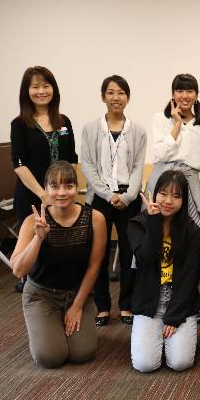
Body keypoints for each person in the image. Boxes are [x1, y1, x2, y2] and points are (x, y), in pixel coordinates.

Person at [9, 161, 106, 368]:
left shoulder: (95, 219)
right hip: (42, 295)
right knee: (51, 357)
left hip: (78, 293)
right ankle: (46, 329)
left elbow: (94, 267)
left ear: (76, 188)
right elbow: (18, 270)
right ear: (46, 189)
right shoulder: (32, 222)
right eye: (55, 186)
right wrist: (39, 238)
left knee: (83, 353)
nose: (62, 192)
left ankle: (63, 322)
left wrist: (77, 306)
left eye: (68, 186)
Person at [80, 75, 147, 327]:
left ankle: (127, 304)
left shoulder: (138, 130)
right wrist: (108, 195)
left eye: (120, 93)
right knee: (98, 253)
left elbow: (139, 166)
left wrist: (128, 195)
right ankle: (102, 306)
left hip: (128, 198)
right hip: (99, 198)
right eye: (110, 92)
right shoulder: (90, 128)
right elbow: (87, 166)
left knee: (131, 252)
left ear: (127, 98)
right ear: (102, 97)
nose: (115, 97)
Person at [129, 170, 200, 373]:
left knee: (180, 363)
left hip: (179, 300)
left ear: (184, 200)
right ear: (154, 193)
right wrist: (153, 222)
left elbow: (190, 276)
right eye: (164, 193)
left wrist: (174, 316)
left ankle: (165, 334)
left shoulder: (191, 230)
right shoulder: (138, 225)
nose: (168, 200)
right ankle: (152, 335)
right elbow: (147, 258)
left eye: (176, 196)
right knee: (145, 365)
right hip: (148, 300)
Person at [147, 73, 200, 239]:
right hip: (162, 179)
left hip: (190, 183)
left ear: (196, 95)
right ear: (172, 94)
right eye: (179, 91)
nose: (185, 96)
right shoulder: (160, 119)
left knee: (192, 232)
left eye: (190, 91)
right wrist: (176, 124)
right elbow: (159, 154)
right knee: (156, 228)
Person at [11, 66, 78, 222]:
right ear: (26, 91)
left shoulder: (64, 121)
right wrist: (44, 195)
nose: (41, 91)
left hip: (62, 197)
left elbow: (72, 158)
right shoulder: (19, 124)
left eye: (46, 86)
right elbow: (19, 164)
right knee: (34, 242)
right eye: (35, 87)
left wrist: (64, 190)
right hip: (32, 197)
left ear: (53, 89)